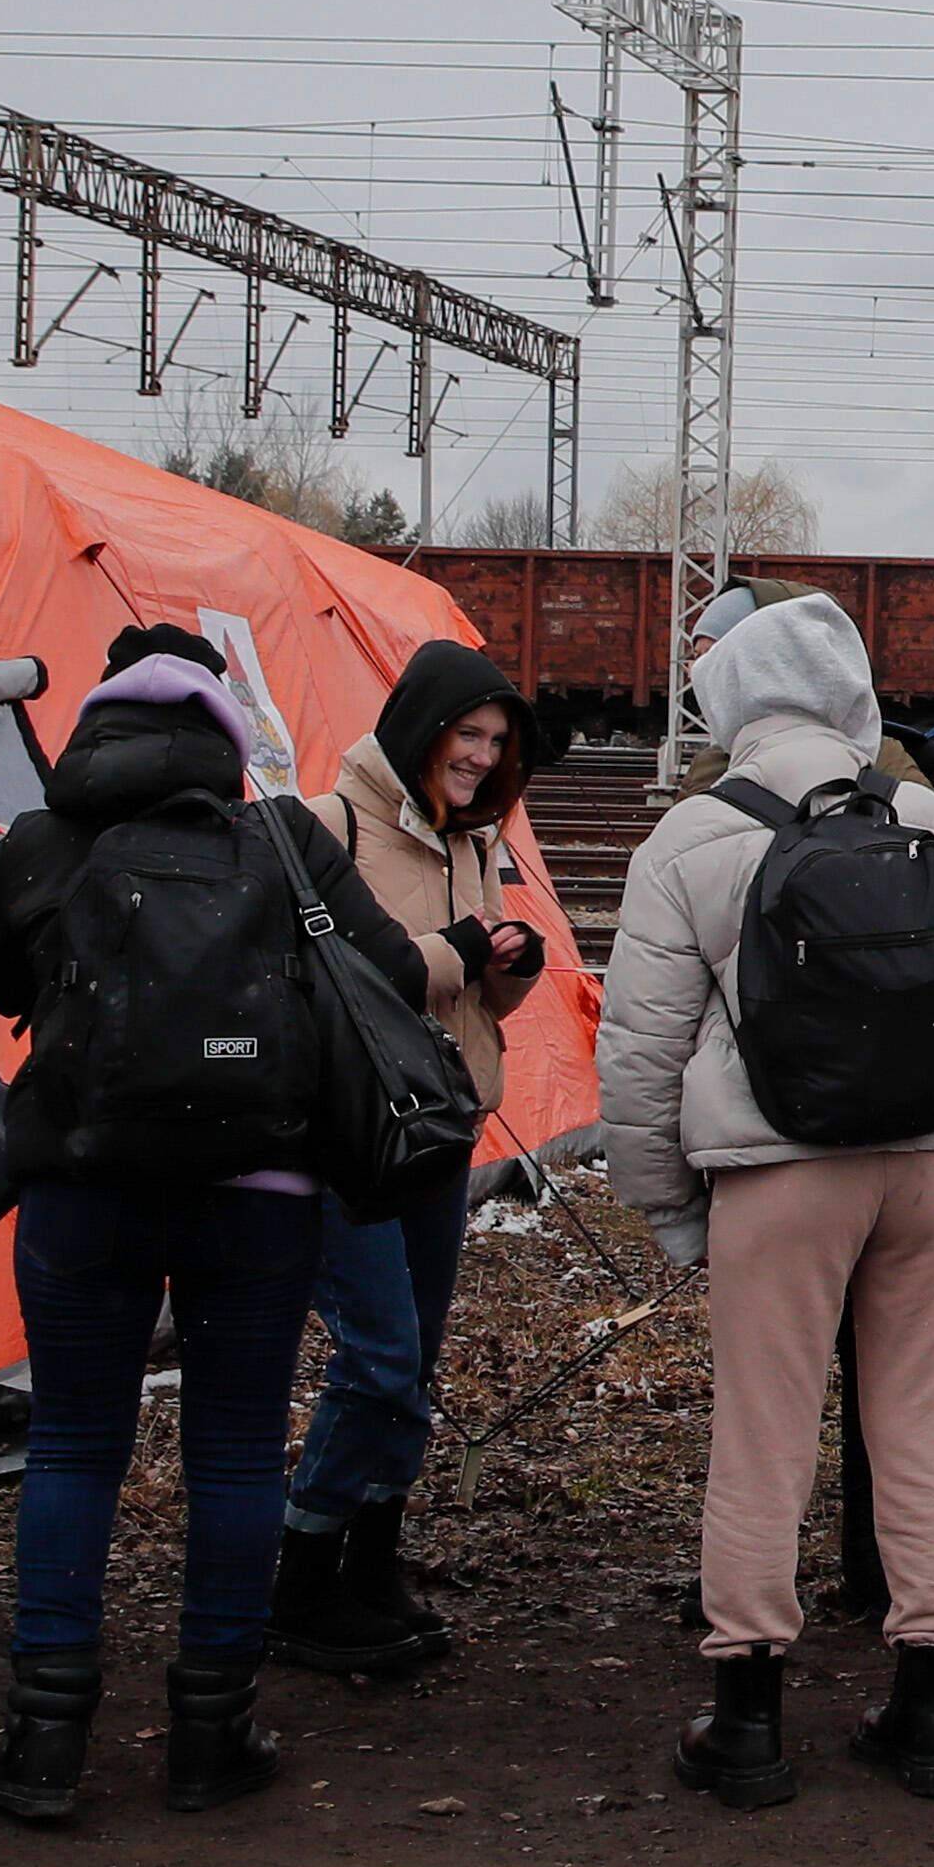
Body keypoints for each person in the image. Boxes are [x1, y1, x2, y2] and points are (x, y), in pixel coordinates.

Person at [0, 626, 437, 1825]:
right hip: (256, 1203)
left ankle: (45, 1740)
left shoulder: (48, 840)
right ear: (225, 737)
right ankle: (212, 1732)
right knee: (233, 1453)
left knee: (73, 1448)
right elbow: (382, 971)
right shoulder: (284, 841)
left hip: (83, 1189)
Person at [600, 595, 934, 1810]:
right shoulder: (928, 819)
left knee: (764, 1439)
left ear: (730, 699)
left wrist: (674, 1212)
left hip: (779, 1177)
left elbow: (640, 1057)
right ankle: (931, 1711)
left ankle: (746, 1724)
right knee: (930, 1430)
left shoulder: (692, 836)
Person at [264, 639, 550, 1677]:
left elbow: (470, 998)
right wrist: (460, 950)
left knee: (414, 1362)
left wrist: (512, 966)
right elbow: (340, 982)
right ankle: (301, 1576)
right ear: (419, 728)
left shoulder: (471, 840)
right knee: (379, 1356)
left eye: (496, 743)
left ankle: (371, 1562)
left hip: (439, 1132)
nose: (480, 758)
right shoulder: (329, 826)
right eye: (466, 734)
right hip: (351, 1143)